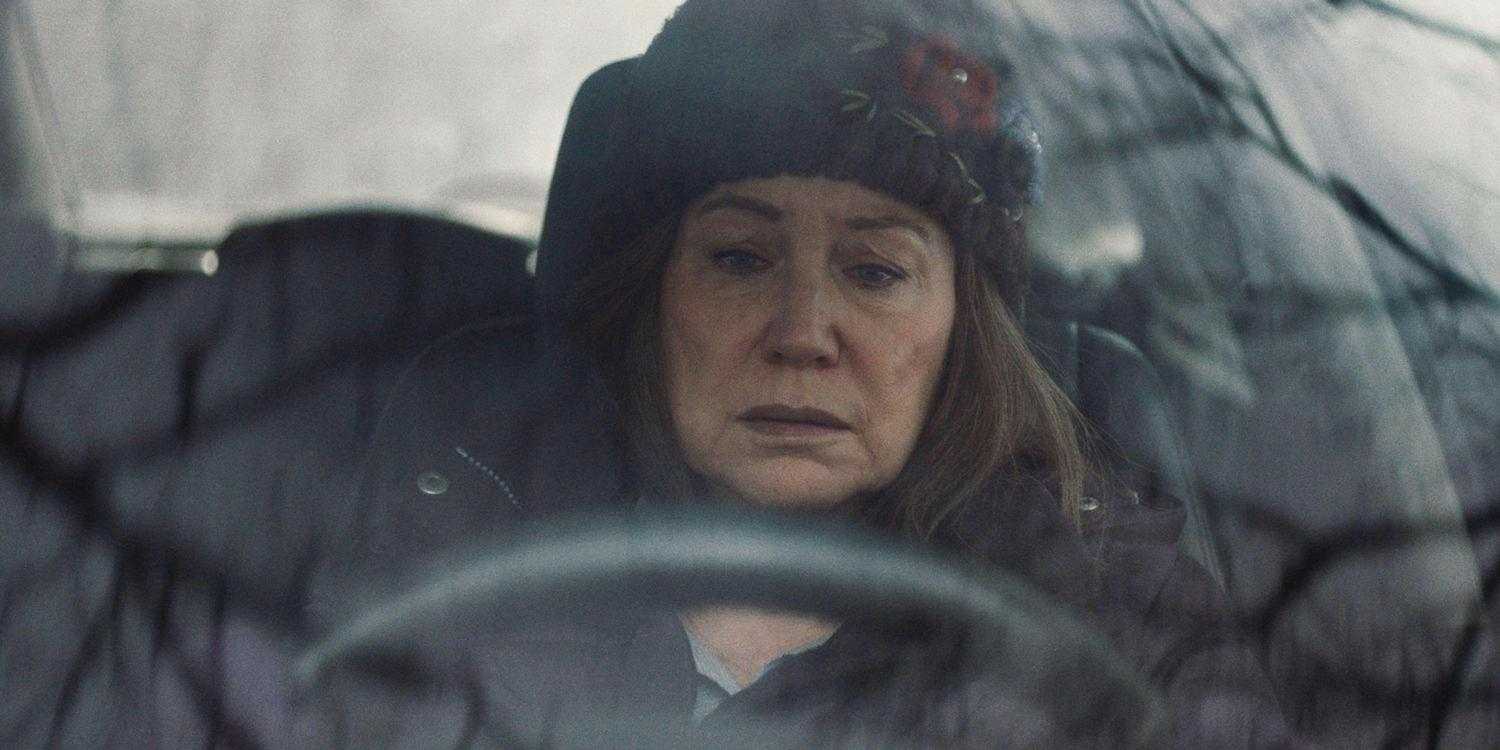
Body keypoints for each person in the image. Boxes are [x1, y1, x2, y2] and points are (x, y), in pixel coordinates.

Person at [304, 0, 1304, 746]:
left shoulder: (1120, 621)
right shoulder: (449, 563)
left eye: (875, 272)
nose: (802, 334)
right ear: (655, 297)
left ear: (964, 330)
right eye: (741, 258)